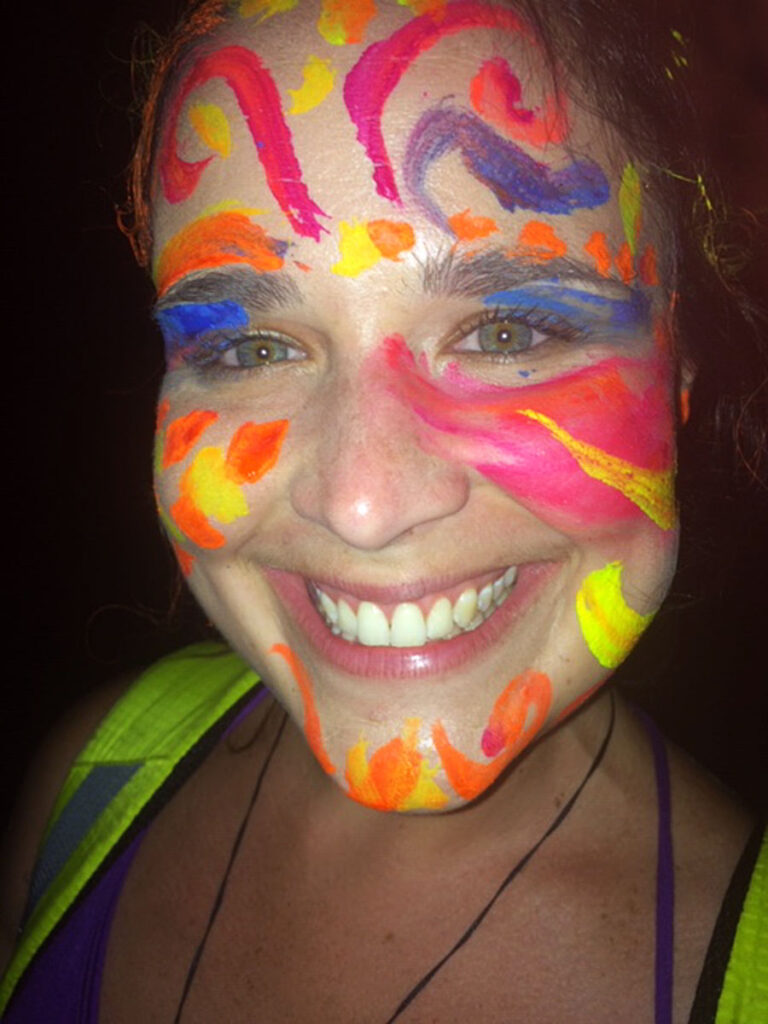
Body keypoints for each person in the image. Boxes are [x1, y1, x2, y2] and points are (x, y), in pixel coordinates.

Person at [1, 0, 765, 1021]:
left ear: (681, 363)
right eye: (250, 347)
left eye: (507, 329)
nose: (363, 505)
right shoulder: (84, 784)